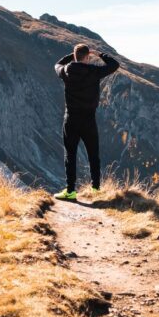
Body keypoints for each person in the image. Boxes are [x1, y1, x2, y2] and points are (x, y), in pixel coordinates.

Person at [53, 43, 120, 200]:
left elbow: (57, 64)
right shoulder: (94, 71)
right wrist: (99, 54)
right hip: (89, 119)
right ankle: (96, 189)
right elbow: (114, 64)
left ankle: (70, 191)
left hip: (71, 119)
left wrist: (72, 56)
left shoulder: (66, 71)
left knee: (70, 155)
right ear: (88, 57)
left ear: (75, 56)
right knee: (93, 154)